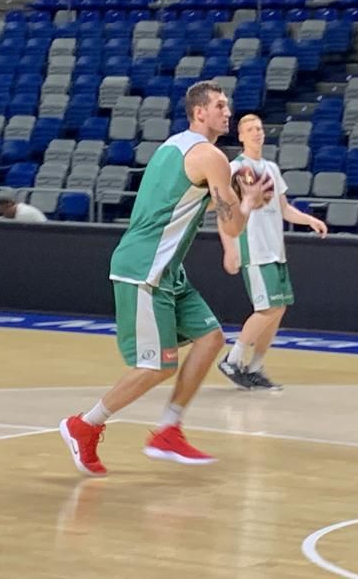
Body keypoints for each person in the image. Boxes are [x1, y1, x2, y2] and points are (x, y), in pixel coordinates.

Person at [59, 81, 273, 476]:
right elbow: (234, 221)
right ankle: (84, 425)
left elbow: (200, 205)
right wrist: (249, 201)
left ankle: (169, 430)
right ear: (200, 112)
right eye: (220, 106)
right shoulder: (211, 156)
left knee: (210, 339)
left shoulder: (174, 147)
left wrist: (234, 201)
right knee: (157, 366)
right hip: (145, 267)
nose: (228, 112)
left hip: (168, 270)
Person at [216, 114, 328, 390]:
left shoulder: (271, 168)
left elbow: (284, 208)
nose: (257, 133)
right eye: (250, 129)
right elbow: (223, 213)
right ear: (240, 136)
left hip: (275, 250)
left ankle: (254, 367)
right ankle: (233, 358)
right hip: (253, 249)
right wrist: (229, 247)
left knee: (278, 309)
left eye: (260, 128)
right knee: (266, 309)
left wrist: (310, 220)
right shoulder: (233, 169)